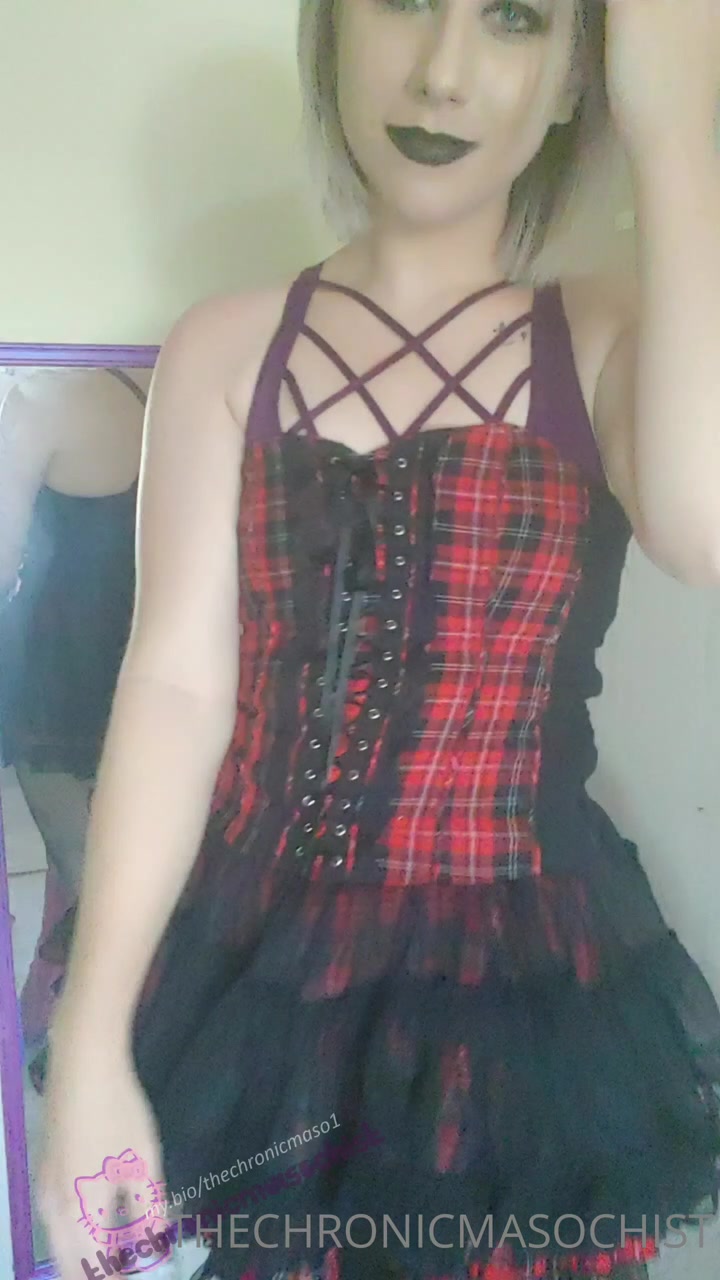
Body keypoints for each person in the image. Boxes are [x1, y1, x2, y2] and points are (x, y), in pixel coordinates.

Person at [39, 2, 720, 1279]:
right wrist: (90, 1042)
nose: (444, 71)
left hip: (523, 1001)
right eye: (405, 1)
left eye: (513, 20)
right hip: (257, 977)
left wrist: (678, 125)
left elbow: (703, 526)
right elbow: (175, 684)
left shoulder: (607, 335)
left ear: (573, 78)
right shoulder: (226, 347)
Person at [0, 366, 146, 1090]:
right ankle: (50, 1013)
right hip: (156, 665)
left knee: (86, 873)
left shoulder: (43, 394)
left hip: (59, 675)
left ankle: (95, 1052)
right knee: (117, 867)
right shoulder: (182, 371)